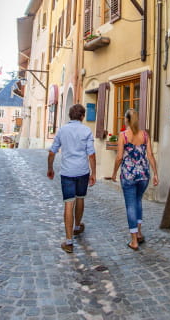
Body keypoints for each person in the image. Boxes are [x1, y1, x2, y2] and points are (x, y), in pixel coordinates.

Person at [47, 103, 96, 253]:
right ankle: (76, 227)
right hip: (82, 170)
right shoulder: (87, 130)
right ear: (82, 116)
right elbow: (91, 154)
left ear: (70, 115)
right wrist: (94, 173)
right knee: (80, 198)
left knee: (69, 204)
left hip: (67, 171)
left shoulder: (62, 130)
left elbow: (52, 151)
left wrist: (50, 168)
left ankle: (68, 242)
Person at [111, 109, 158, 251]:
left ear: (126, 120)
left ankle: (133, 241)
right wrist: (155, 173)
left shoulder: (123, 135)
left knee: (130, 205)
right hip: (143, 174)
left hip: (129, 175)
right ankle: (139, 233)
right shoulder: (144, 135)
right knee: (138, 201)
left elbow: (119, 156)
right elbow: (150, 155)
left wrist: (113, 173)